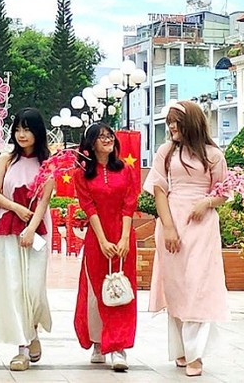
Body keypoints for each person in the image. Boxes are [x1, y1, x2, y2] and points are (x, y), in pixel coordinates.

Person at [143, 101, 229, 378]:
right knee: (177, 286)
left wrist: (206, 203)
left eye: (176, 122)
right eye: (168, 122)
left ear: (190, 123)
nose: (171, 127)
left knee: (198, 286)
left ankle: (196, 355)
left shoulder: (213, 155)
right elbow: (158, 190)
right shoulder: (165, 152)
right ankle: (180, 350)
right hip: (172, 219)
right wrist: (168, 227)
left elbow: (224, 192)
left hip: (202, 226)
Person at [0, 107, 54, 371]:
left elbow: (44, 201)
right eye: (18, 129)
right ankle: (22, 346)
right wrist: (16, 208)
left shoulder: (48, 164)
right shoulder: (6, 159)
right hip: (6, 227)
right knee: (14, 287)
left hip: (36, 231)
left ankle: (34, 331)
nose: (21, 134)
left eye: (27, 129)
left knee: (34, 288)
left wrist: (31, 228)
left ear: (38, 132)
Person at [72, 123, 139, 372]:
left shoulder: (127, 170)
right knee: (97, 290)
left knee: (122, 288)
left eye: (109, 135)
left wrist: (123, 239)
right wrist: (102, 240)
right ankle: (99, 342)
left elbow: (128, 205)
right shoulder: (81, 175)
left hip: (123, 235)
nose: (107, 139)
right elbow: (89, 207)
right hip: (96, 238)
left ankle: (118, 346)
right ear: (91, 144)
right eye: (101, 137)